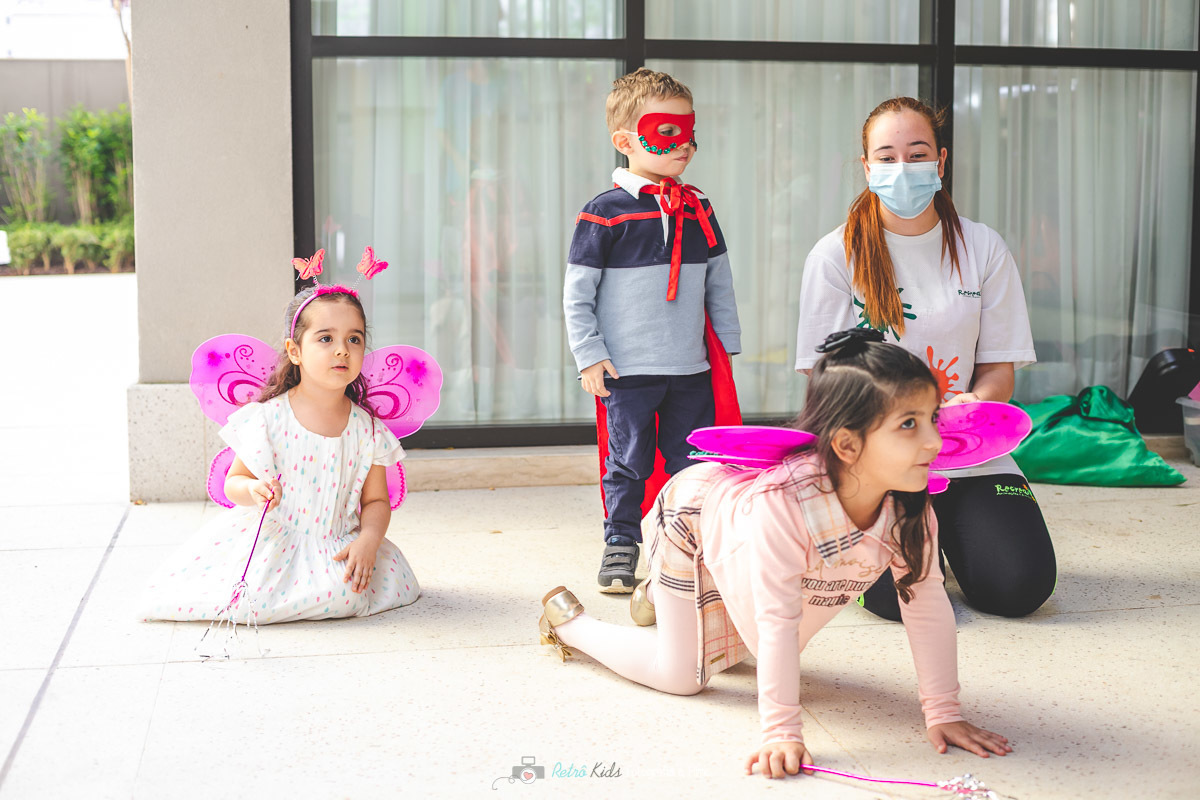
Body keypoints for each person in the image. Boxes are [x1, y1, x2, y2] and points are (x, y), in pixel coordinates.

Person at [537, 331, 1011, 779]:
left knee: (757, 644)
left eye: (932, 418)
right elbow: (777, 625)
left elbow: (925, 602)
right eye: (908, 424)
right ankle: (570, 624)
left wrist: (943, 712)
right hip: (692, 519)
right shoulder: (784, 507)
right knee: (685, 675)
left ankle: (666, 596)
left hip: (750, 549)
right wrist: (782, 732)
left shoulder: (910, 504)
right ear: (847, 444)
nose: (933, 441)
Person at [794, 96, 1055, 620]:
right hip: (880, 464)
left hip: (969, 451)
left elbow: (998, 368)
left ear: (940, 163)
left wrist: (973, 406)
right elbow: (824, 382)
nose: (901, 168)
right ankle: (914, 534)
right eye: (886, 157)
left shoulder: (983, 248)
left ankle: (956, 531)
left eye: (916, 155)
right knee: (900, 600)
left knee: (1019, 589)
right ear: (867, 167)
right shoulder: (834, 254)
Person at [141, 280, 420, 623]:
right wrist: (253, 490)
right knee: (249, 597)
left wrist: (369, 540)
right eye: (326, 338)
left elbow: (376, 501)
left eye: (354, 339)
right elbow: (235, 482)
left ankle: (318, 590)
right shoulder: (268, 418)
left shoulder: (368, 430)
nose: (342, 350)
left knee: (348, 591)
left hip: (335, 542)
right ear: (295, 351)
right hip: (275, 541)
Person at [564, 67, 741, 593]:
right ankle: (621, 543)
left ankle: (684, 546)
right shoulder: (604, 214)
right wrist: (588, 356)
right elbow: (578, 295)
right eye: (668, 131)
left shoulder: (699, 207)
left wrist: (725, 349)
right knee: (629, 460)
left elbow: (718, 280)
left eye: (689, 130)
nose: (683, 143)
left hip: (690, 367)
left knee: (693, 464)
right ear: (624, 141)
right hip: (627, 368)